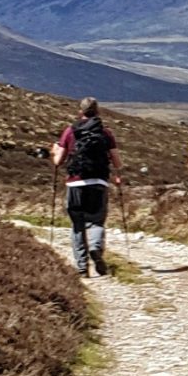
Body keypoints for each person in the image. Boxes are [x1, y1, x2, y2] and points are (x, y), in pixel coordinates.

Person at [51, 97, 121, 275]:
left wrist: (54, 152)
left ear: (80, 111)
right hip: (98, 182)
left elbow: (58, 161)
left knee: (77, 226)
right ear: (97, 112)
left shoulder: (69, 131)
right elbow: (117, 162)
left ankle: (82, 268)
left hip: (75, 183)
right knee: (96, 222)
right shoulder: (106, 133)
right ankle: (95, 249)